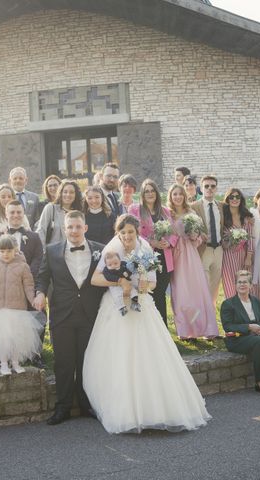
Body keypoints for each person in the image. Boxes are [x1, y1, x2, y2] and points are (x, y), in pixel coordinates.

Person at [84, 214, 211, 434]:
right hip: (117, 306)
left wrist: (143, 285)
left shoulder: (146, 250)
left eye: (130, 232)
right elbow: (95, 279)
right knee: (120, 355)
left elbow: (152, 283)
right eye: (122, 233)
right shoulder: (112, 249)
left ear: (137, 232)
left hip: (141, 305)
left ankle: (157, 408)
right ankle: (124, 408)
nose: (126, 237)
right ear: (118, 233)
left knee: (150, 354)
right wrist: (120, 280)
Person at [33, 211, 106, 425]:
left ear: (85, 228)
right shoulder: (52, 250)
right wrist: (39, 293)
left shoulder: (99, 250)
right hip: (62, 314)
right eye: (70, 227)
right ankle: (63, 407)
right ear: (65, 230)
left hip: (90, 313)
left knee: (86, 361)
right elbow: (43, 277)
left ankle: (86, 404)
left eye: (77, 226)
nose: (74, 231)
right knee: (63, 362)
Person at [0, 235, 41, 375]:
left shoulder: (23, 266)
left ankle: (15, 362)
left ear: (15, 250)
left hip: (17, 309)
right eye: (2, 251)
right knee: (2, 338)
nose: (5, 254)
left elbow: (29, 286)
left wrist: (32, 299)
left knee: (16, 337)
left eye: (9, 251)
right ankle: (4, 364)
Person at [0, 200, 45, 368]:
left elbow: (38, 258)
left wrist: (25, 273)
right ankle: (6, 358)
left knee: (31, 322)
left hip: (28, 280)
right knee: (7, 327)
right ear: (6, 214)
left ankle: (34, 354)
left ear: (23, 214)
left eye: (19, 212)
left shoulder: (33, 236)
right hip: (5, 288)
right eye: (12, 212)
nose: (15, 215)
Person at [221, 270, 260, 395]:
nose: (242, 285)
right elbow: (228, 326)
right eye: (239, 282)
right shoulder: (228, 304)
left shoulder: (256, 302)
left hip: (256, 334)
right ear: (235, 285)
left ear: (250, 285)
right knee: (259, 342)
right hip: (237, 339)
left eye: (245, 282)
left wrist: (258, 328)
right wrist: (249, 327)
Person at [167, 183, 218, 340]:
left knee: (197, 290)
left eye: (180, 194)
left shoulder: (191, 212)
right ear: (170, 196)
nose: (177, 197)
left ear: (184, 196)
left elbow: (203, 236)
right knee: (180, 292)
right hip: (175, 255)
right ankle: (185, 330)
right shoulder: (167, 213)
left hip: (191, 254)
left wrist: (196, 236)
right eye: (174, 194)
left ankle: (203, 327)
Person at [128, 179, 176, 325]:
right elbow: (132, 232)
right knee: (146, 293)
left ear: (156, 193)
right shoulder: (134, 210)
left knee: (160, 294)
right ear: (142, 194)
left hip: (164, 257)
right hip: (145, 258)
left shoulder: (166, 211)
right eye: (146, 191)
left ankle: (162, 329)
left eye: (152, 190)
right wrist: (151, 242)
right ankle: (146, 328)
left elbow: (174, 233)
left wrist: (169, 242)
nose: (150, 193)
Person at [193, 175, 225, 307]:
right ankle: (202, 311)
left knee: (214, 285)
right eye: (206, 186)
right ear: (201, 188)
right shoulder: (194, 207)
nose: (210, 189)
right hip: (203, 249)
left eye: (212, 186)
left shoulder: (221, 206)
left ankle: (210, 312)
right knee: (203, 284)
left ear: (216, 188)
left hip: (218, 249)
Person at [0, 183, 31, 264]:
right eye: (3, 197)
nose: (6, 199)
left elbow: (29, 234)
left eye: (9, 196)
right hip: (0, 258)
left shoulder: (22, 216)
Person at [220, 188, 254, 299]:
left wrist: (249, 257)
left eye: (237, 197)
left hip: (243, 256)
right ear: (227, 199)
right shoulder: (223, 217)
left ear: (241, 199)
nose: (235, 199)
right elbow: (222, 238)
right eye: (232, 197)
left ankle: (245, 313)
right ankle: (233, 311)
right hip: (228, 256)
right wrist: (230, 240)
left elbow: (251, 238)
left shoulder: (246, 217)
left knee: (244, 285)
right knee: (230, 286)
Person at [36, 179, 82, 246]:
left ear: (76, 195)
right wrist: (43, 252)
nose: (68, 195)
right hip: (53, 253)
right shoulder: (50, 208)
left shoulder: (79, 211)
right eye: (65, 192)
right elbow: (41, 231)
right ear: (60, 193)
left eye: (72, 192)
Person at [102, 250, 139, 316]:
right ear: (106, 265)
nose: (113, 266)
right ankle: (121, 308)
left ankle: (134, 303)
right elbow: (108, 276)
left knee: (133, 290)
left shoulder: (123, 264)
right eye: (110, 265)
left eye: (115, 263)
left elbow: (129, 269)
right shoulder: (106, 270)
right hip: (115, 285)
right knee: (117, 295)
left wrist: (128, 273)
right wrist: (118, 279)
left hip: (127, 282)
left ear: (119, 260)